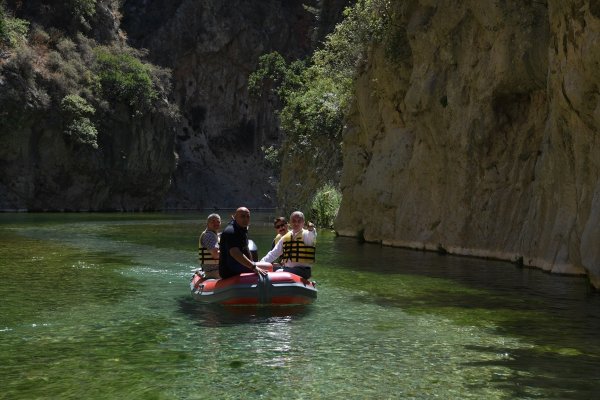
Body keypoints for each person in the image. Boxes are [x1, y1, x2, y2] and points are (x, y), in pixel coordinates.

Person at [260, 211, 316, 279]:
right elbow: (273, 254)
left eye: (299, 221)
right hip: (288, 269)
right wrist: (261, 263)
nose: (296, 223)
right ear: (290, 223)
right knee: (271, 270)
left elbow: (312, 236)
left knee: (278, 272)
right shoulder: (285, 238)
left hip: (303, 271)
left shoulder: (307, 235)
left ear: (303, 222)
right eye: (294, 221)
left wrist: (311, 229)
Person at [218, 207, 268, 279]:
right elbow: (235, 253)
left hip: (238, 266)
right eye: (242, 216)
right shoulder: (231, 231)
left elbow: (246, 248)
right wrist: (254, 267)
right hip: (230, 270)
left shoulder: (241, 229)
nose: (246, 219)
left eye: (248, 217)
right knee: (268, 267)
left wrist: (253, 262)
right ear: (235, 217)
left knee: (267, 266)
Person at [198, 213, 221, 279]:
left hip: (216, 269)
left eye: (218, 222)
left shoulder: (215, 235)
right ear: (207, 224)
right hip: (214, 271)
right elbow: (215, 255)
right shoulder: (209, 235)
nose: (216, 223)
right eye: (213, 221)